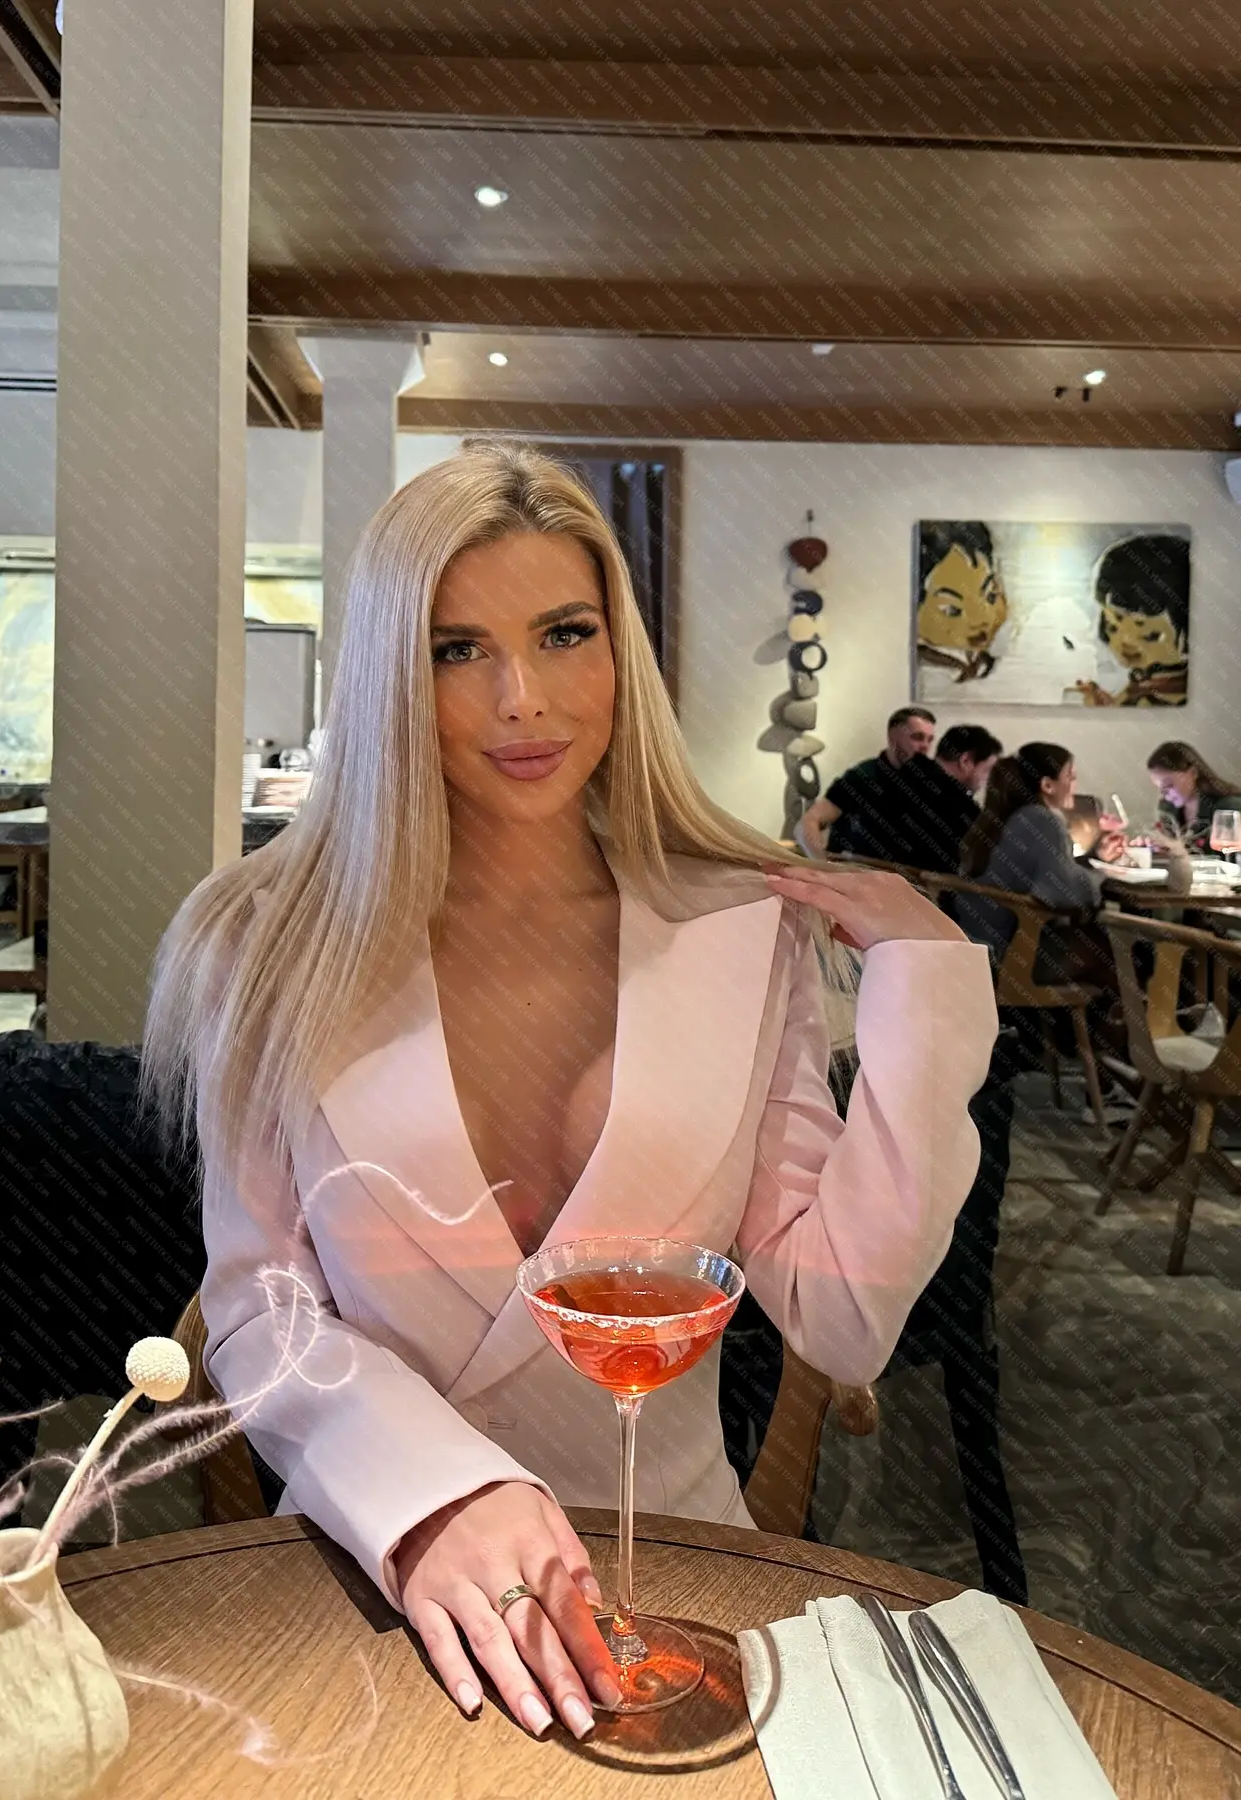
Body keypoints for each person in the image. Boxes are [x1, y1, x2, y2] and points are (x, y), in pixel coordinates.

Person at [142, 443, 996, 1742]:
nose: (523, 700)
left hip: (676, 1583)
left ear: (620, 650)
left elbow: (840, 1319)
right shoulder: (264, 943)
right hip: (382, 1576)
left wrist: (927, 997)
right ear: (388, 673)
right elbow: (257, 1304)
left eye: (563, 634)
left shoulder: (737, 930)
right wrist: (433, 1495)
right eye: (456, 650)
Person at [953, 743, 1125, 980]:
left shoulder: (1014, 815)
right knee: (1121, 949)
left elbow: (1050, 870)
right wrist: (1102, 876)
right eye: (1069, 775)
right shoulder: (1042, 820)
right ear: (1047, 785)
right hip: (1010, 950)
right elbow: (1064, 892)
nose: (1075, 782)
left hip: (977, 938)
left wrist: (1098, 858)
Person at [797, 706, 936, 858]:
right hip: (852, 869)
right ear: (893, 738)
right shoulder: (863, 777)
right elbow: (808, 823)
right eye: (917, 737)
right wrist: (822, 864)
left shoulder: (929, 782)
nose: (925, 746)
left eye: (930, 740)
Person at [864, 724, 1003, 873]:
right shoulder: (962, 809)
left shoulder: (897, 777)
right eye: (988, 770)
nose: (988, 780)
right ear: (965, 761)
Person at [1074, 533, 1190, 707]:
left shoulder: (1164, 698)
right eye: (1112, 628)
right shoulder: (1141, 685)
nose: (1126, 642)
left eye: (1150, 635)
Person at [915, 521, 1009, 685]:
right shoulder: (921, 674)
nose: (981, 619)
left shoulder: (996, 656)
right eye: (952, 609)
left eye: (991, 597)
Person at [1146, 741, 1241, 851]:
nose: (1163, 793)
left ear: (1193, 773)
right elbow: (1169, 851)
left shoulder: (1229, 808)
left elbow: (1232, 854)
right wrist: (1153, 846)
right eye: (1159, 787)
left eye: (1168, 785)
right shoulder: (1167, 808)